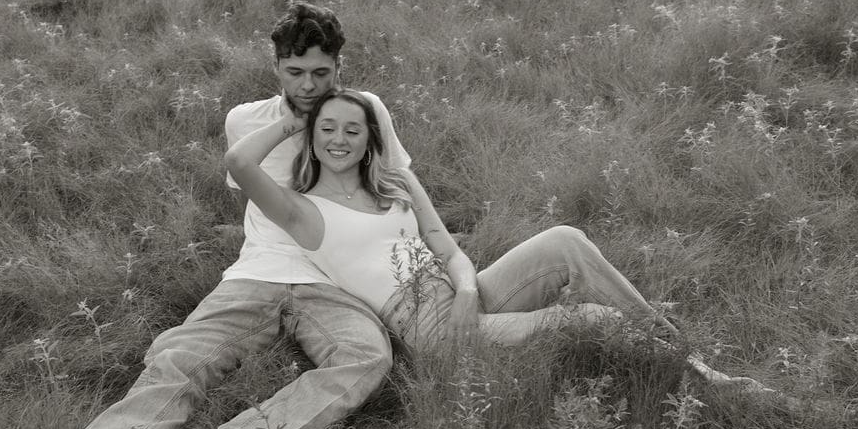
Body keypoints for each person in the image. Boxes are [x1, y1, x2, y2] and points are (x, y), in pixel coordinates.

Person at [0, 2, 412, 429]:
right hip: (258, 272)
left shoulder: (367, 111)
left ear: (340, 65)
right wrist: (291, 123)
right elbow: (250, 185)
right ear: (276, 68)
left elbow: (398, 189)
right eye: (296, 73)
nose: (310, 85)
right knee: (181, 356)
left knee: (365, 357)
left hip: (337, 280)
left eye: (322, 72)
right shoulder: (246, 121)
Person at [224, 87, 680, 357]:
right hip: (434, 334)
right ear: (311, 138)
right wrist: (295, 119)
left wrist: (465, 291)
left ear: (369, 141)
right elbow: (241, 162)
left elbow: (447, 248)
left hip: (464, 298)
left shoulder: (394, 181)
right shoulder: (301, 212)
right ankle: (690, 371)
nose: (339, 140)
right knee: (594, 318)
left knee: (566, 239)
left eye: (352, 129)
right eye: (327, 129)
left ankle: (674, 346)